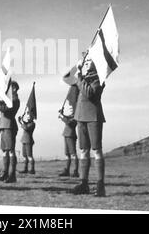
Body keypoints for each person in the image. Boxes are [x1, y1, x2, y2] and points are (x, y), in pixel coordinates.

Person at [73, 56, 106, 197]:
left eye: (87, 62)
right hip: (81, 117)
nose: (85, 64)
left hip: (94, 118)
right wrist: (78, 72)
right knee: (83, 150)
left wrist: (79, 76)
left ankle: (100, 186)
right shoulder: (83, 77)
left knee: (97, 150)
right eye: (84, 62)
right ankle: (84, 183)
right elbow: (66, 78)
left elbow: (90, 93)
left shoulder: (99, 78)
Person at [0, 81, 20, 183]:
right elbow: (1, 105)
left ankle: (12, 175)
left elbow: (3, 108)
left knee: (11, 150)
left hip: (9, 127)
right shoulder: (9, 99)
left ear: (14, 89)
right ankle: (5, 174)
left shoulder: (14, 99)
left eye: (9, 87)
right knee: (5, 151)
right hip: (4, 127)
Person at [58, 84, 80, 178]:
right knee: (67, 154)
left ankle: (75, 171)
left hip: (71, 135)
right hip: (66, 135)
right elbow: (67, 118)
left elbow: (69, 123)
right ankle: (66, 170)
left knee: (73, 153)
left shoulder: (76, 116)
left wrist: (62, 116)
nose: (70, 108)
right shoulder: (70, 116)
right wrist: (62, 113)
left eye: (72, 108)